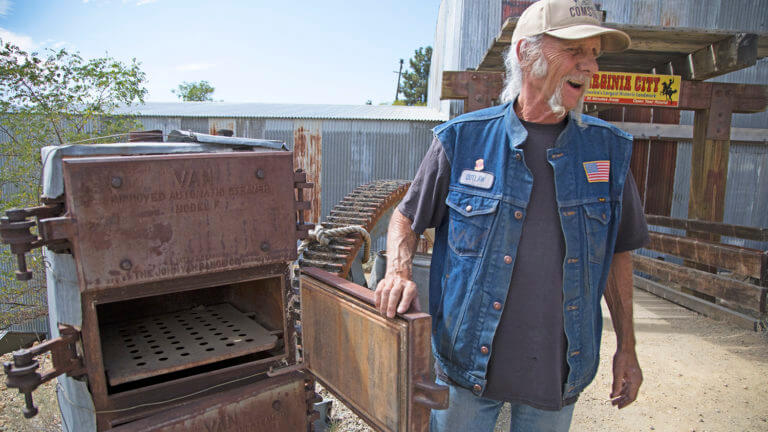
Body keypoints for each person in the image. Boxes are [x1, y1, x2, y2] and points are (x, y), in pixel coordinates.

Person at [374, 0, 649, 430]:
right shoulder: (462, 140)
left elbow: (619, 252)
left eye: (594, 53)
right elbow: (405, 219)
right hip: (466, 367)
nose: (589, 66)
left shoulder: (608, 152)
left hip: (557, 374)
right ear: (525, 54)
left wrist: (627, 347)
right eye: (574, 51)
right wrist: (398, 270)